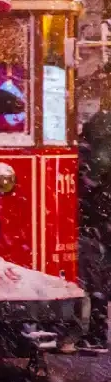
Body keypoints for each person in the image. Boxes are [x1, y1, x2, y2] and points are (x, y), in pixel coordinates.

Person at [79, 111, 111, 350]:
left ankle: (96, 331)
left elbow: (94, 174)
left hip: (99, 213)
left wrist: (87, 181)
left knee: (95, 272)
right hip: (102, 214)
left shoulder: (101, 127)